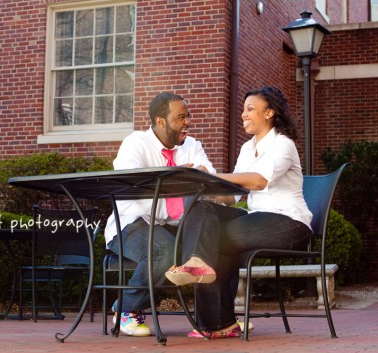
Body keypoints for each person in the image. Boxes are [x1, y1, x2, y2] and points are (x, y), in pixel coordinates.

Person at [165, 86, 313, 338]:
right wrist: (202, 185)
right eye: (243, 109)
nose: (244, 114)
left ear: (269, 113)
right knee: (201, 207)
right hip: (257, 219)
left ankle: (216, 322)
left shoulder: (283, 144)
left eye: (250, 109)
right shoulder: (247, 148)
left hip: (289, 223)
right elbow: (232, 197)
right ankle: (199, 269)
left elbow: (258, 181)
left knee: (216, 237)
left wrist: (211, 175)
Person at [104, 92, 215, 336]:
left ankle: (218, 319)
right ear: (160, 121)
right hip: (131, 224)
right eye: (181, 117)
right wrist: (174, 180)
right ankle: (126, 309)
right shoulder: (136, 144)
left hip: (174, 224)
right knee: (163, 249)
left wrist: (185, 181)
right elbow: (135, 191)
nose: (187, 122)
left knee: (216, 238)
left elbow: (208, 180)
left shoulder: (192, 145)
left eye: (189, 116)